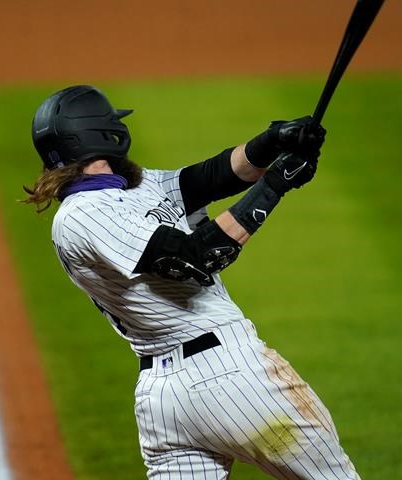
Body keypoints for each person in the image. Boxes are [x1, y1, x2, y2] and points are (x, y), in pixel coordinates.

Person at [25, 85, 360, 480]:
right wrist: (274, 186)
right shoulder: (84, 214)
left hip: (166, 402)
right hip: (235, 380)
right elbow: (192, 256)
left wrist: (273, 141)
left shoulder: (131, 187)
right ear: (100, 134)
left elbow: (212, 177)